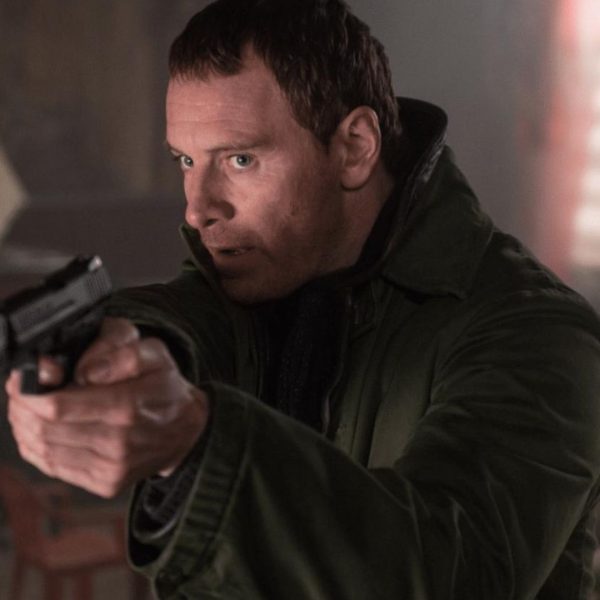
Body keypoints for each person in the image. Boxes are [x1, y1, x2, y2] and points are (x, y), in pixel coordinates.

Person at [6, 0, 600, 598]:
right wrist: (115, 354)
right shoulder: (269, 268)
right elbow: (185, 315)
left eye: (240, 159)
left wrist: (195, 441)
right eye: (187, 160)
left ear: (354, 147)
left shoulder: (541, 334)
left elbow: (451, 574)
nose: (197, 208)